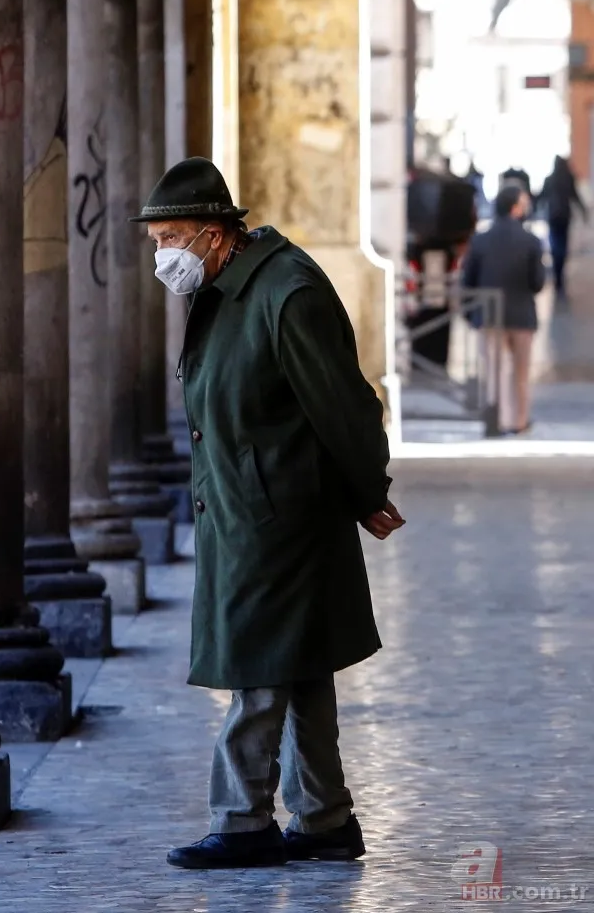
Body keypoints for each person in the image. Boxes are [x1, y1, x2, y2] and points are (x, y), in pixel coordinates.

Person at [130, 157, 405, 870]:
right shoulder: (225, 287)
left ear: (216, 232)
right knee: (300, 663)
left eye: (172, 239)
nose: (164, 256)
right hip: (247, 509)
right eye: (156, 241)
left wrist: (367, 491)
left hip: (281, 519)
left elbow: (344, 407)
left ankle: (242, 820)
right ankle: (324, 818)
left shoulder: (287, 292)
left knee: (256, 669)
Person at [461, 183, 545, 436]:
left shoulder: (480, 240)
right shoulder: (531, 241)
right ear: (516, 208)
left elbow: (468, 280)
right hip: (522, 315)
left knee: (494, 372)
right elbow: (537, 282)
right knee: (521, 373)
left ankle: (496, 420)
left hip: (489, 314)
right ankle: (519, 421)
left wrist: (470, 314)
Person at [538, 155, 588, 296]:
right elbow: (575, 196)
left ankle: (557, 274)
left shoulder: (550, 179)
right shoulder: (568, 179)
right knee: (562, 246)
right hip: (564, 217)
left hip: (553, 217)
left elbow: (541, 197)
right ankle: (559, 275)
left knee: (555, 245)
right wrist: (584, 212)